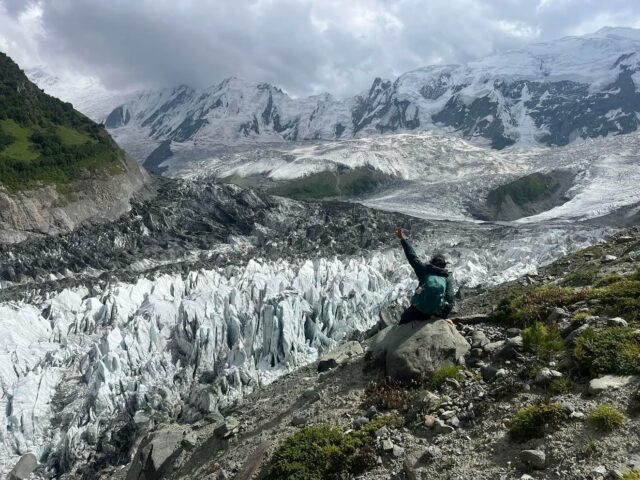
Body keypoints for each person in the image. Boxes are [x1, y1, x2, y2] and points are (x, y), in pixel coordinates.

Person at [395, 227, 455, 324]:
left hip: (417, 310)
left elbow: (412, 257)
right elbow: (450, 298)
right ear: (444, 266)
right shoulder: (447, 276)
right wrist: (443, 316)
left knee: (404, 320)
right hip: (434, 312)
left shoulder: (425, 270)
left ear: (432, 262)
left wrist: (403, 239)